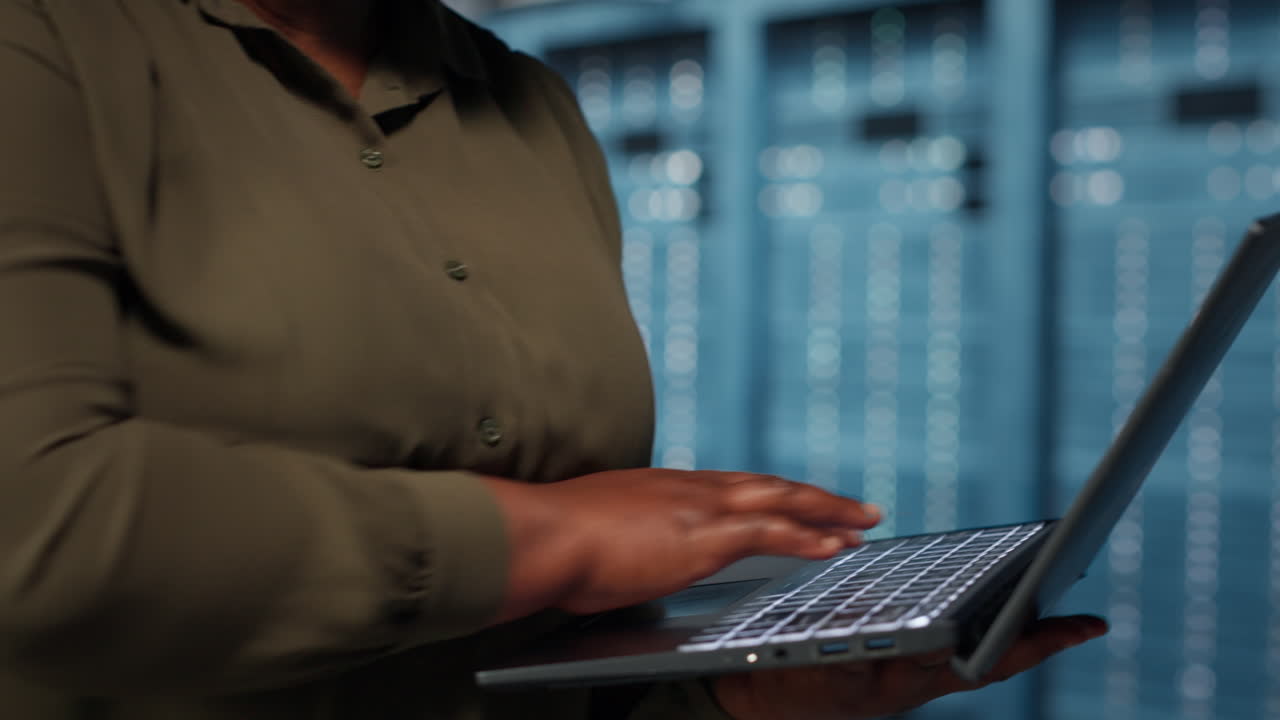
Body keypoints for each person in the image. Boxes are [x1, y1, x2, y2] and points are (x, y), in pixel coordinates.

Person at [0, 0, 1106, 718]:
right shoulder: (47, 46)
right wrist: (552, 539)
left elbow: (524, 661)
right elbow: (37, 526)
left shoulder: (528, 101)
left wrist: (730, 699)